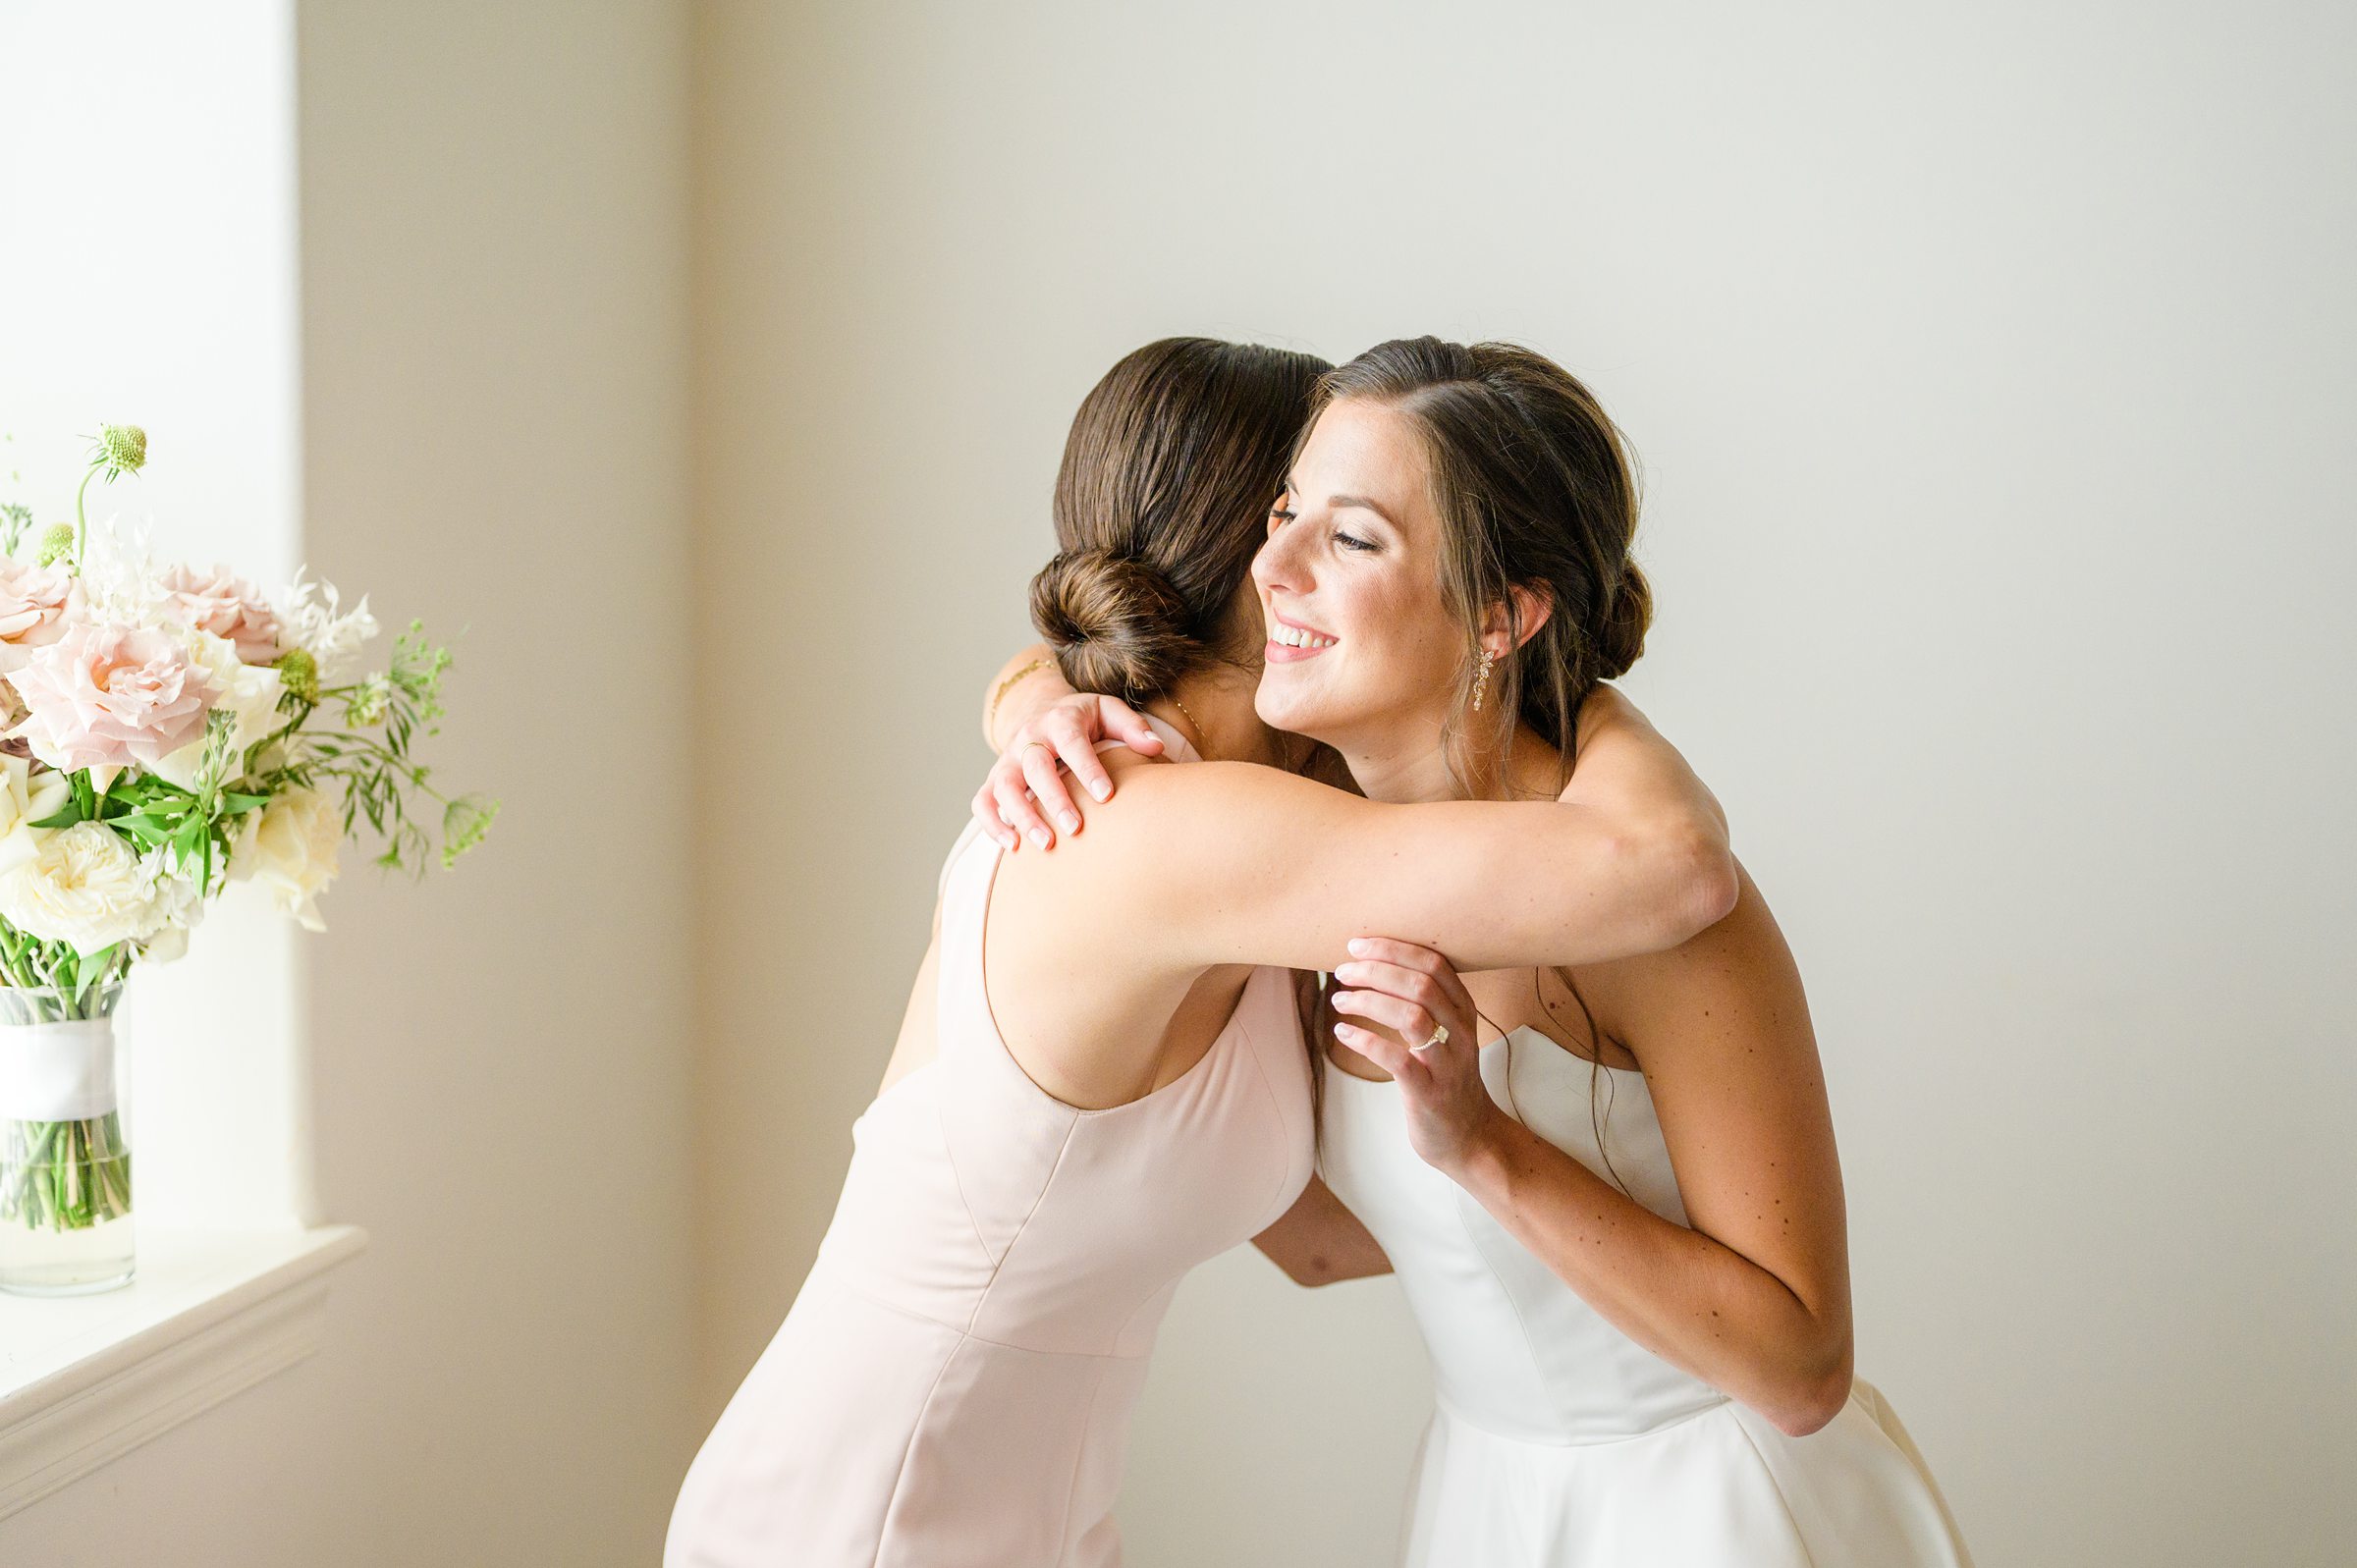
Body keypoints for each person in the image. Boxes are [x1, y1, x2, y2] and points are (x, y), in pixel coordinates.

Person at [663, 336, 1734, 1568]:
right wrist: (1559, 645)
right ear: (1251, 555)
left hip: (1040, 1519)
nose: (1310, 552)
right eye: (1296, 514)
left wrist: (1607, 1286)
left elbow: (1321, 1237)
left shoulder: (1218, 819)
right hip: (859, 1512)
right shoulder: (1174, 832)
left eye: (1346, 527)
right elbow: (1671, 868)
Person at [983, 337, 1977, 1565]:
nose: (1270, 566)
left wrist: (1484, 1144)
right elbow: (1325, 1240)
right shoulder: (1305, 860)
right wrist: (1032, 706)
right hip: (1489, 1508)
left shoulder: (1647, 916)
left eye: (1349, 540)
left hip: (1705, 1513)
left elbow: (1804, 1364)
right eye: (1284, 512)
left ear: (1504, 613)